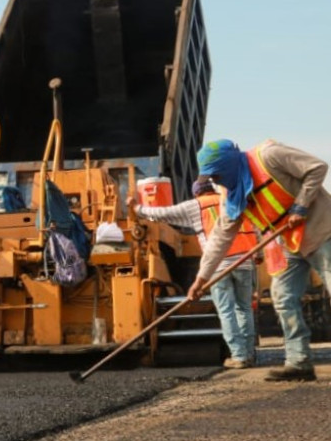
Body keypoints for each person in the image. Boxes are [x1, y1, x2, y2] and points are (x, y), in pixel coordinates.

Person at [186, 139, 331, 382]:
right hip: (288, 244)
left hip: (321, 231)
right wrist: (201, 279)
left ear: (230, 165)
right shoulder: (233, 196)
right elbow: (219, 240)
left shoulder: (269, 155)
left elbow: (317, 167)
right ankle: (299, 362)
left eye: (218, 175)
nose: (217, 182)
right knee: (283, 299)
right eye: (212, 178)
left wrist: (300, 205)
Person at [129, 179, 259, 368]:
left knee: (226, 311)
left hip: (218, 266)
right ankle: (248, 354)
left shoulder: (195, 206)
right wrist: (259, 253)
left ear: (197, 193)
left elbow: (164, 214)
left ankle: (239, 356)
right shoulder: (231, 200)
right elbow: (254, 226)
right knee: (244, 308)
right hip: (243, 262)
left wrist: (137, 209)